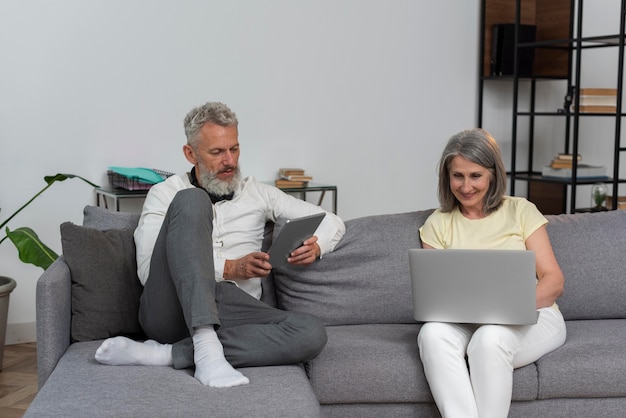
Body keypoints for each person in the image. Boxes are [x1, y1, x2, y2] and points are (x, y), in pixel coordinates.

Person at [94, 102, 346, 388]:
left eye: (234, 149)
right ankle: (203, 343)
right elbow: (147, 271)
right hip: (171, 309)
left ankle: (167, 354)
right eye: (217, 152)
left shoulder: (260, 193)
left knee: (311, 333)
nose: (230, 161)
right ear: (191, 154)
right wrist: (229, 268)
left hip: (234, 310)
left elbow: (332, 220)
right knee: (192, 200)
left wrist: (317, 246)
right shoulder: (165, 194)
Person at [417, 128, 566, 418]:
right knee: (431, 333)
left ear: (493, 175)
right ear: (447, 178)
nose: (465, 186)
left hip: (533, 316)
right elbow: (436, 292)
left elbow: (554, 280)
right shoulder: (438, 223)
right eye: (457, 175)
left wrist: (510, 309)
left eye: (475, 176)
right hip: (465, 322)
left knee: (489, 338)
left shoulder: (520, 211)